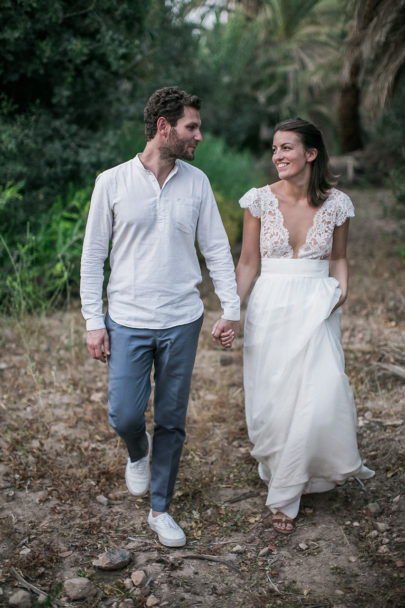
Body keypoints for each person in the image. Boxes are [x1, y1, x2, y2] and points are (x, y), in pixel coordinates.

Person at [80, 86, 240, 547]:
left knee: (171, 418)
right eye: (192, 127)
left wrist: (230, 308)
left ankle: (160, 508)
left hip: (181, 319)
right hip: (126, 319)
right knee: (125, 414)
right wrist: (95, 320)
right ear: (164, 127)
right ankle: (137, 452)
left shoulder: (198, 183)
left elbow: (215, 250)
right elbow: (93, 258)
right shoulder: (111, 182)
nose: (200, 136)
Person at [225, 118, 374, 534]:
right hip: (270, 305)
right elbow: (249, 262)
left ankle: (289, 493)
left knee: (322, 390)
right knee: (274, 398)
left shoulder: (338, 204)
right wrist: (232, 310)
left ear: (310, 154)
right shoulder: (258, 200)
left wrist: (340, 288)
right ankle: (285, 469)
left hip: (317, 303)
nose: (278, 156)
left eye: (287, 148)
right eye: (275, 149)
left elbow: (339, 257)